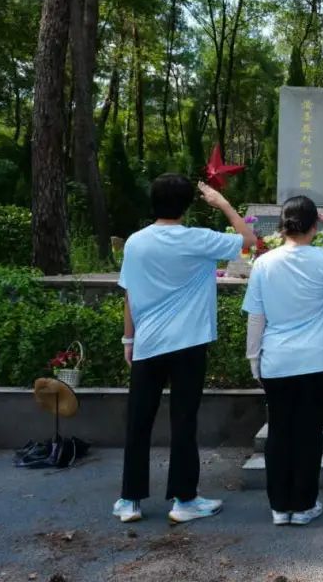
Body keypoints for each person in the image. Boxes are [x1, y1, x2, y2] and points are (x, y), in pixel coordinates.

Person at [114, 175, 257, 524]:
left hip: (148, 343)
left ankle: (130, 500)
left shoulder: (135, 243)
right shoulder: (198, 239)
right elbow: (249, 241)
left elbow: (129, 293)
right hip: (188, 344)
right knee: (184, 421)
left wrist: (128, 339)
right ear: (187, 205)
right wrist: (222, 203)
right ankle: (184, 500)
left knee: (139, 421)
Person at [242, 196, 323, 526]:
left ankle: (279, 505)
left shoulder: (264, 264)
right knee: (309, 431)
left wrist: (253, 356)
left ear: (281, 225)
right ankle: (303, 504)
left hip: (276, 358)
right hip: (316, 360)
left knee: (279, 430)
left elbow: (256, 317)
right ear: (315, 226)